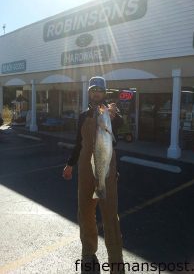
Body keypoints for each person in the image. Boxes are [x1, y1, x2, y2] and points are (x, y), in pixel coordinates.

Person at [63, 76, 125, 274]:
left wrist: (114, 117)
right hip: (84, 169)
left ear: (104, 93)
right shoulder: (82, 115)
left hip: (105, 170)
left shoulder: (112, 113)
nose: (96, 93)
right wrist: (70, 164)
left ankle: (116, 260)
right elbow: (78, 143)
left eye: (99, 90)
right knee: (85, 212)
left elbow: (120, 128)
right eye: (93, 90)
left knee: (110, 215)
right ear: (89, 92)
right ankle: (89, 251)